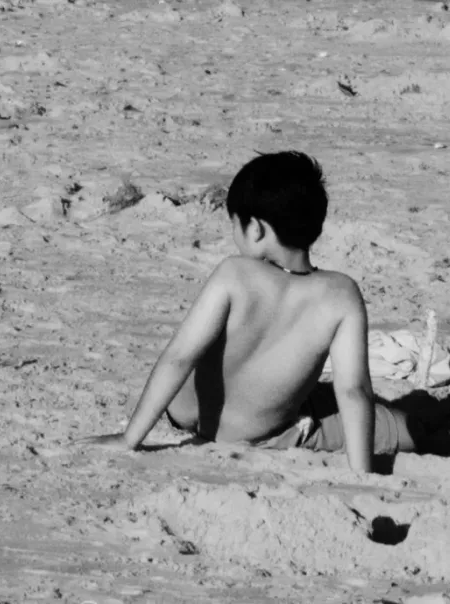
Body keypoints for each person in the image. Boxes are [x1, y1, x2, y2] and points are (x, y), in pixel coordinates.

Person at [81, 150, 429, 473]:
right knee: (405, 428)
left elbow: (179, 357)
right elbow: (353, 392)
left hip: (188, 416)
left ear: (256, 228)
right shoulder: (341, 294)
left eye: (235, 224)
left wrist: (130, 439)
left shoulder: (233, 274)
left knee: (313, 393)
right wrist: (361, 475)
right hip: (262, 436)